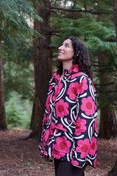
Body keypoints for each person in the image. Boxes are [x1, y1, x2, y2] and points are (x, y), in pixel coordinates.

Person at [39, 36, 98, 176]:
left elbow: (86, 119)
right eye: (61, 45)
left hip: (74, 147)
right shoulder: (56, 79)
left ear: (76, 53)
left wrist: (79, 153)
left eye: (66, 46)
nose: (60, 48)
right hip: (58, 145)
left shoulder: (82, 80)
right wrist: (46, 142)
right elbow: (49, 114)